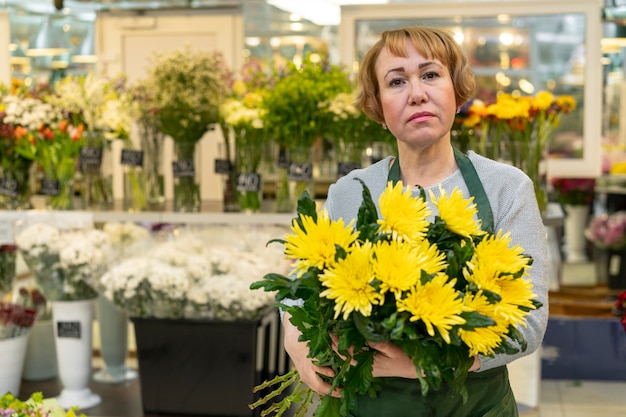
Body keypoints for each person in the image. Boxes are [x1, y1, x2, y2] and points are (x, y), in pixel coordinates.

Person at [281, 26, 549, 417]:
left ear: (456, 92)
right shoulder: (351, 192)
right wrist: (296, 341)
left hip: (474, 408)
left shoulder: (506, 188)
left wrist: (429, 364)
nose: (417, 93)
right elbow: (299, 285)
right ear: (378, 107)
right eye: (396, 81)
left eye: (430, 74)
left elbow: (529, 323)